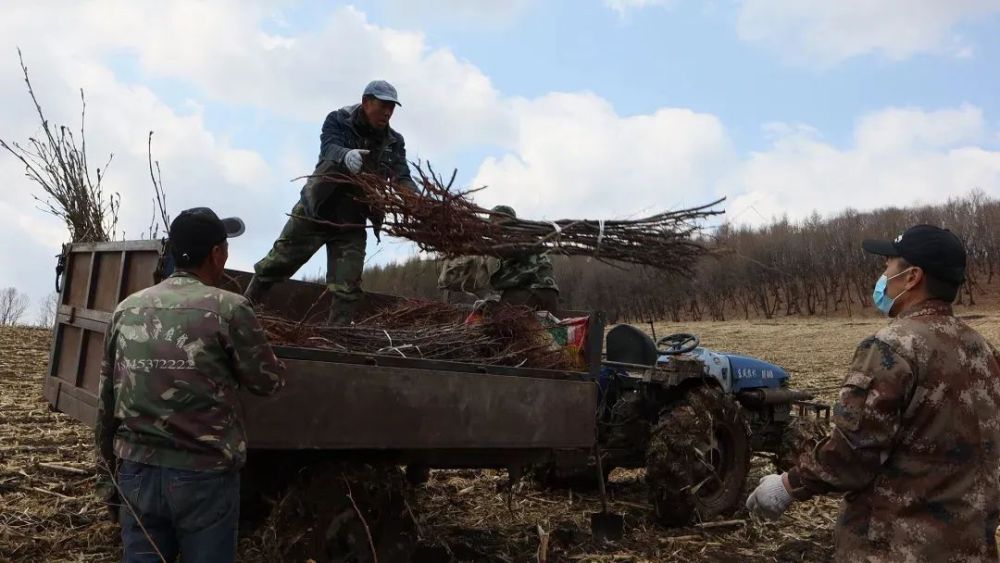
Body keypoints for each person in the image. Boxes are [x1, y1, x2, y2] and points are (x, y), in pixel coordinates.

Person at [745, 224, 1000, 562]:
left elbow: (853, 453)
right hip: (973, 548)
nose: (883, 274)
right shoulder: (985, 351)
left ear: (912, 277)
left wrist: (787, 486)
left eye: (888, 265)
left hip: (898, 548)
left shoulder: (892, 348)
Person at [95, 207, 286, 563]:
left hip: (136, 472)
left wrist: (107, 475)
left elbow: (106, 400)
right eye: (225, 248)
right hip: (204, 477)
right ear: (217, 255)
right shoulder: (229, 308)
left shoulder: (126, 309)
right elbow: (268, 383)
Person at [245, 80, 417, 325]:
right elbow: (329, 147)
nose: (388, 112)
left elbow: (401, 175)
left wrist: (415, 199)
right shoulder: (339, 119)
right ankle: (242, 313)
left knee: (347, 287)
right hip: (317, 209)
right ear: (367, 102)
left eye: (392, 107)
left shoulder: (393, 141)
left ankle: (336, 338)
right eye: (383, 106)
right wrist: (345, 155)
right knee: (276, 263)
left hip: (352, 221)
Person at [437, 205, 560, 312]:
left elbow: (506, 250)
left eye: (496, 221)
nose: (493, 227)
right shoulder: (524, 238)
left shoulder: (517, 236)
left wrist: (474, 246)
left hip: (532, 290)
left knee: (500, 324)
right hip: (548, 294)